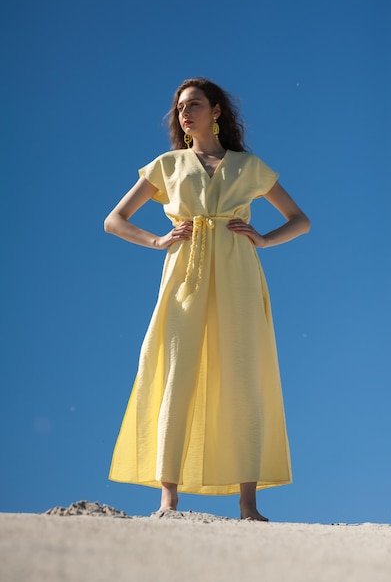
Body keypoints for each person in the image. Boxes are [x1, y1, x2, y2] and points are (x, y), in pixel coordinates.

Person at [104, 77, 310, 521]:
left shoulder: (248, 166)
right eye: (180, 107)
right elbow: (114, 220)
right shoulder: (167, 165)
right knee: (176, 371)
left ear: (216, 111)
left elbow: (300, 220)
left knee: (242, 374)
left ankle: (249, 504)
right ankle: (168, 500)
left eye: (194, 104)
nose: (185, 113)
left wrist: (265, 240)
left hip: (238, 274)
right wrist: (158, 242)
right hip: (185, 276)